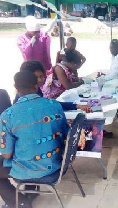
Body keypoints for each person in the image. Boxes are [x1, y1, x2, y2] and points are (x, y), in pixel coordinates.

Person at [0, 71, 69, 208]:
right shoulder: (54, 105)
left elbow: (6, 154)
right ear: (36, 86)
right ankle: (32, 193)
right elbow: (64, 133)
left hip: (31, 171)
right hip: (56, 165)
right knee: (29, 149)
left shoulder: (8, 115)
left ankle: (19, 203)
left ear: (16, 87)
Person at [14, 61, 91, 112]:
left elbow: (49, 103)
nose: (40, 80)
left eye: (41, 76)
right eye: (36, 77)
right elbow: (49, 104)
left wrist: (76, 106)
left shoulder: (37, 90)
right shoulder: (23, 97)